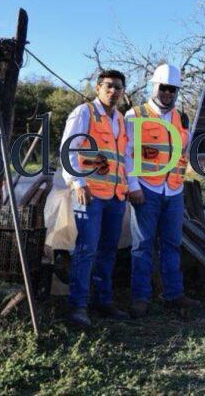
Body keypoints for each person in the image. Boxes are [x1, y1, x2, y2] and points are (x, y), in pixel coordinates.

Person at [125, 63, 198, 318]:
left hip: (174, 191)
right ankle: (140, 298)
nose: (168, 93)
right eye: (164, 88)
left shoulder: (182, 118)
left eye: (173, 89)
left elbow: (184, 153)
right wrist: (133, 186)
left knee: (172, 244)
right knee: (143, 245)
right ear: (154, 86)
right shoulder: (136, 115)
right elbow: (127, 154)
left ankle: (173, 295)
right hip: (146, 190)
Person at [60, 69, 130, 328]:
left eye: (118, 87)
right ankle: (78, 306)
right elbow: (68, 148)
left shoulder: (120, 120)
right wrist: (77, 182)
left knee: (108, 251)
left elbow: (124, 158)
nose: (113, 91)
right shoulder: (84, 113)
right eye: (109, 86)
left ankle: (104, 300)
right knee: (86, 249)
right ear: (98, 87)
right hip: (88, 193)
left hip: (115, 195)